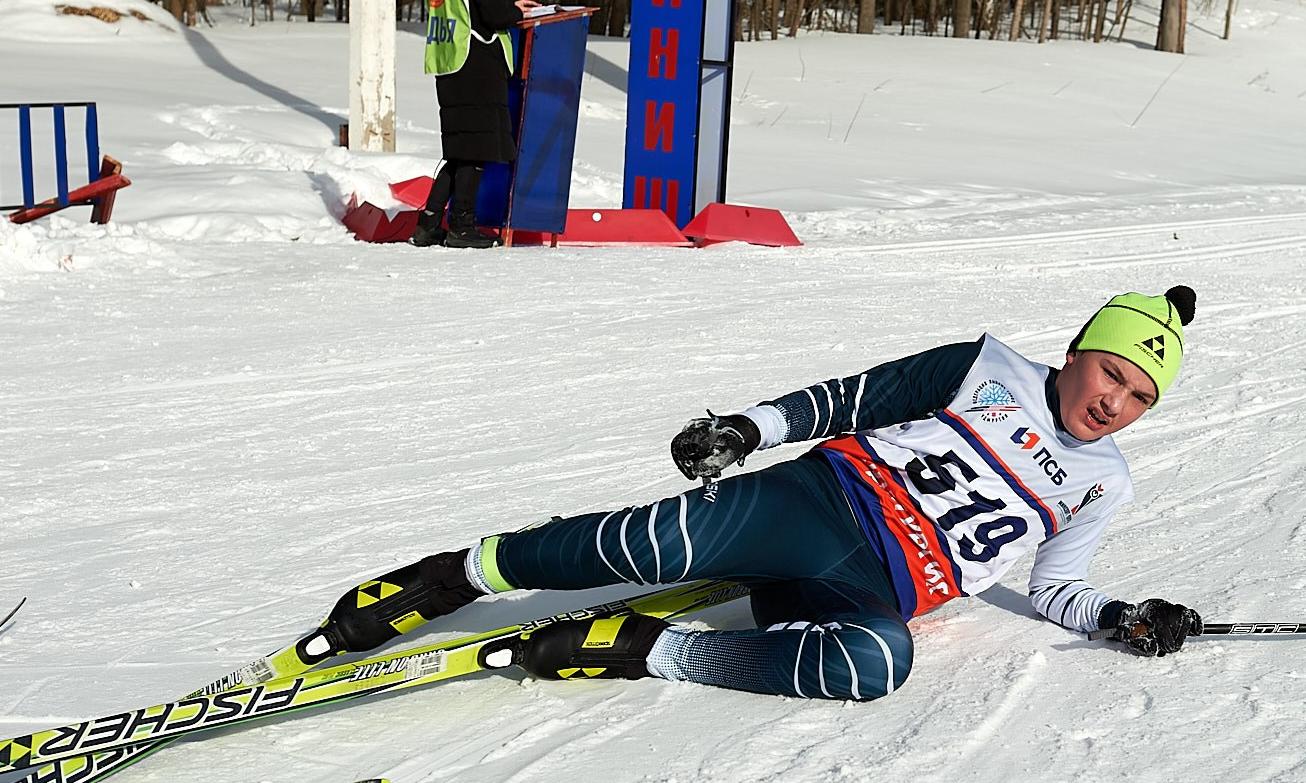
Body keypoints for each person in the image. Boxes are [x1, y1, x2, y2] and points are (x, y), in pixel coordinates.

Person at [288, 288, 1212, 702]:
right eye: (1111, 372)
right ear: (1079, 349)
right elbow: (851, 398)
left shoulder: (1105, 480)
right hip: (822, 504)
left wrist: (1119, 614)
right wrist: (746, 429)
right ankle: (459, 573)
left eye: (1141, 398)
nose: (1115, 404)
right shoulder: (988, 367)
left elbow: (1055, 586)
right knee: (647, 546)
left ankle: (650, 650)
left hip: (872, 589)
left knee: (875, 666)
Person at [414, 0, 526, 249]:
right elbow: (495, 14)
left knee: (459, 149)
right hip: (477, 65)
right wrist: (518, 11)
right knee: (477, 149)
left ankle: (429, 222)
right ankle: (462, 224)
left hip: (448, 64)